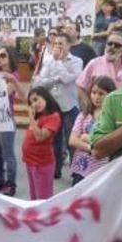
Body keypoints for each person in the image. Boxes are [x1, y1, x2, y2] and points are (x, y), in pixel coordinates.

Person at [33, 32, 82, 179]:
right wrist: (56, 78)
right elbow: (40, 82)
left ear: (68, 45)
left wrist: (59, 63)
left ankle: (76, 171)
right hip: (53, 106)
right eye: (55, 44)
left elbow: (68, 79)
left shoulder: (76, 61)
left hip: (69, 106)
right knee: (55, 140)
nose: (58, 47)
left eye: (61, 43)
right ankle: (56, 169)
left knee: (71, 141)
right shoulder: (48, 61)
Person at [68, 76, 115, 185]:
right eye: (93, 93)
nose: (96, 97)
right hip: (81, 168)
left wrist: (86, 137)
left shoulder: (111, 117)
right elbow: (72, 140)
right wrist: (91, 148)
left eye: (101, 93)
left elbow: (107, 141)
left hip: (100, 169)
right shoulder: (84, 115)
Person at [22, 86, 61, 200]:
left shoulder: (53, 117)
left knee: (43, 199)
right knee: (34, 197)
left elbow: (39, 137)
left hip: (42, 164)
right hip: (31, 162)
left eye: (36, 99)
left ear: (45, 97)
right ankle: (35, 217)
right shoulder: (38, 116)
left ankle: (43, 218)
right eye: (31, 102)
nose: (34, 104)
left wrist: (31, 118)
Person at [76, 29, 122, 110]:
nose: (112, 47)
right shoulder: (94, 63)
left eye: (117, 45)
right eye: (109, 43)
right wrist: (87, 105)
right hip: (99, 114)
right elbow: (80, 86)